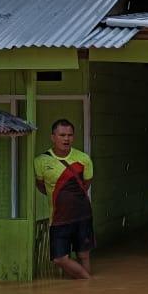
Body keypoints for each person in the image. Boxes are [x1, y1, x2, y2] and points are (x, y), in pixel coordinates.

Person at [33, 119, 95, 280]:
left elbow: (86, 184)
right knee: (59, 258)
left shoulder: (83, 158)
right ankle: (89, 281)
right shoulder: (40, 161)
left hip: (82, 214)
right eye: (62, 135)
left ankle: (85, 290)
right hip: (58, 218)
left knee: (84, 255)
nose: (66, 139)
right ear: (53, 137)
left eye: (70, 135)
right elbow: (41, 186)